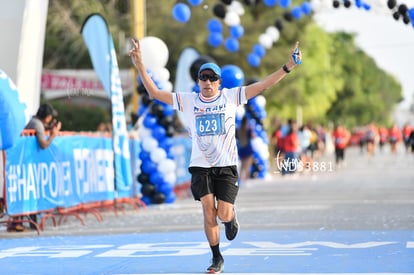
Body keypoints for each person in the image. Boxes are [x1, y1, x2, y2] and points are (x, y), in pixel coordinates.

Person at [129, 38, 302, 273]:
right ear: (198, 82)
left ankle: (231, 218)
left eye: (212, 78)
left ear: (219, 83)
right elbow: (154, 92)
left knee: (223, 213)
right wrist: (140, 64)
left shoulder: (230, 97)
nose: (207, 82)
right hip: (201, 166)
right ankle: (216, 257)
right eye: (203, 78)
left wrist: (287, 66)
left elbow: (262, 85)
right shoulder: (188, 101)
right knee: (208, 210)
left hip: (226, 166)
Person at [7, 103, 62, 232]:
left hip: (21, 162)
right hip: (26, 162)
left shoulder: (32, 121)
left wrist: (47, 128)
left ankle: (24, 221)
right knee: (26, 190)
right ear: (47, 117)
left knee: (24, 191)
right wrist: (53, 134)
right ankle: (17, 222)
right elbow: (43, 144)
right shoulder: (37, 125)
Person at [236, 116, 255, 183]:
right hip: (248, 148)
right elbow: (253, 136)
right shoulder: (248, 130)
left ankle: (240, 179)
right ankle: (246, 179)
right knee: (248, 165)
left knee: (242, 165)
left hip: (241, 148)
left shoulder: (239, 130)